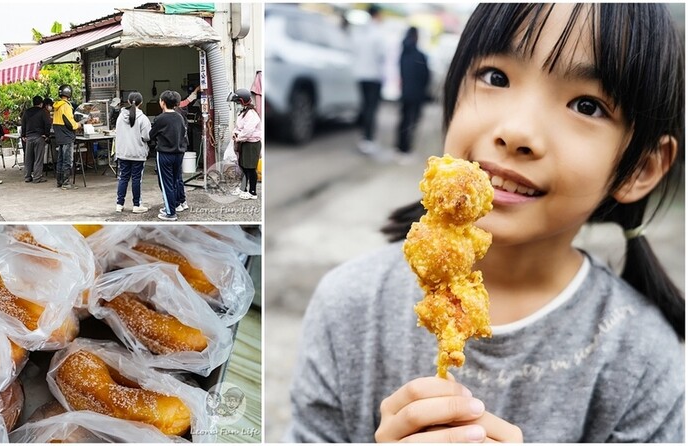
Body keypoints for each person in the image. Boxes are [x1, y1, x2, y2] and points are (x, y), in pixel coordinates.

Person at [287, 4, 684, 443]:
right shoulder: (348, 305)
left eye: (586, 105)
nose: (516, 131)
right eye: (496, 77)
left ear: (641, 169)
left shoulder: (644, 358)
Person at [352, 4, 386, 155]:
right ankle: (368, 139)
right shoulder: (378, 33)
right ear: (377, 14)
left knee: (365, 106)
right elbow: (382, 56)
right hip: (373, 75)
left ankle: (364, 137)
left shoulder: (360, 31)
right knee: (371, 108)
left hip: (360, 74)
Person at [149, 90, 187, 221]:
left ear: (163, 103)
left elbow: (150, 135)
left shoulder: (160, 118)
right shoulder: (179, 117)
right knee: (175, 181)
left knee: (166, 184)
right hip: (179, 153)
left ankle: (170, 213)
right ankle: (174, 205)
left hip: (165, 154)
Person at [397, 26, 431, 161]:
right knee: (412, 121)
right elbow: (425, 75)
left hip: (405, 92)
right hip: (417, 93)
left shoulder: (403, 53)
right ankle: (406, 148)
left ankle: (400, 147)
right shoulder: (419, 55)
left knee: (404, 119)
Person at [113, 91, 151, 214]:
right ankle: (136, 205)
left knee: (123, 178)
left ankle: (119, 204)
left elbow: (117, 132)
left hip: (123, 152)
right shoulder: (143, 118)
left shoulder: (120, 116)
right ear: (141, 103)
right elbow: (147, 137)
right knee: (136, 179)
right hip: (138, 153)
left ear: (128, 102)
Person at [229, 89, 261, 200]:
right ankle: (243, 188)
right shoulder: (243, 112)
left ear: (243, 101)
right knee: (243, 166)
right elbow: (238, 127)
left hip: (251, 144)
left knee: (250, 168)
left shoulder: (251, 114)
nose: (237, 105)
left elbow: (248, 131)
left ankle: (253, 192)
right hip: (243, 142)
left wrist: (238, 137)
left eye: (238, 102)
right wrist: (235, 133)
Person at [52, 84, 86, 190]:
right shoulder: (66, 106)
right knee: (67, 160)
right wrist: (79, 124)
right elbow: (71, 124)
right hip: (67, 137)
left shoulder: (57, 106)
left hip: (60, 136)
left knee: (61, 160)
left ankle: (60, 181)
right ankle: (66, 183)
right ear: (69, 93)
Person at [21, 95, 52, 183]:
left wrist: (23, 135)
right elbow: (48, 124)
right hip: (39, 137)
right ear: (41, 103)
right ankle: (37, 177)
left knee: (28, 158)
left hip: (29, 138)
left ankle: (27, 176)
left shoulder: (27, 112)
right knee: (38, 158)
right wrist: (46, 135)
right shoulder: (43, 112)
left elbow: (23, 123)